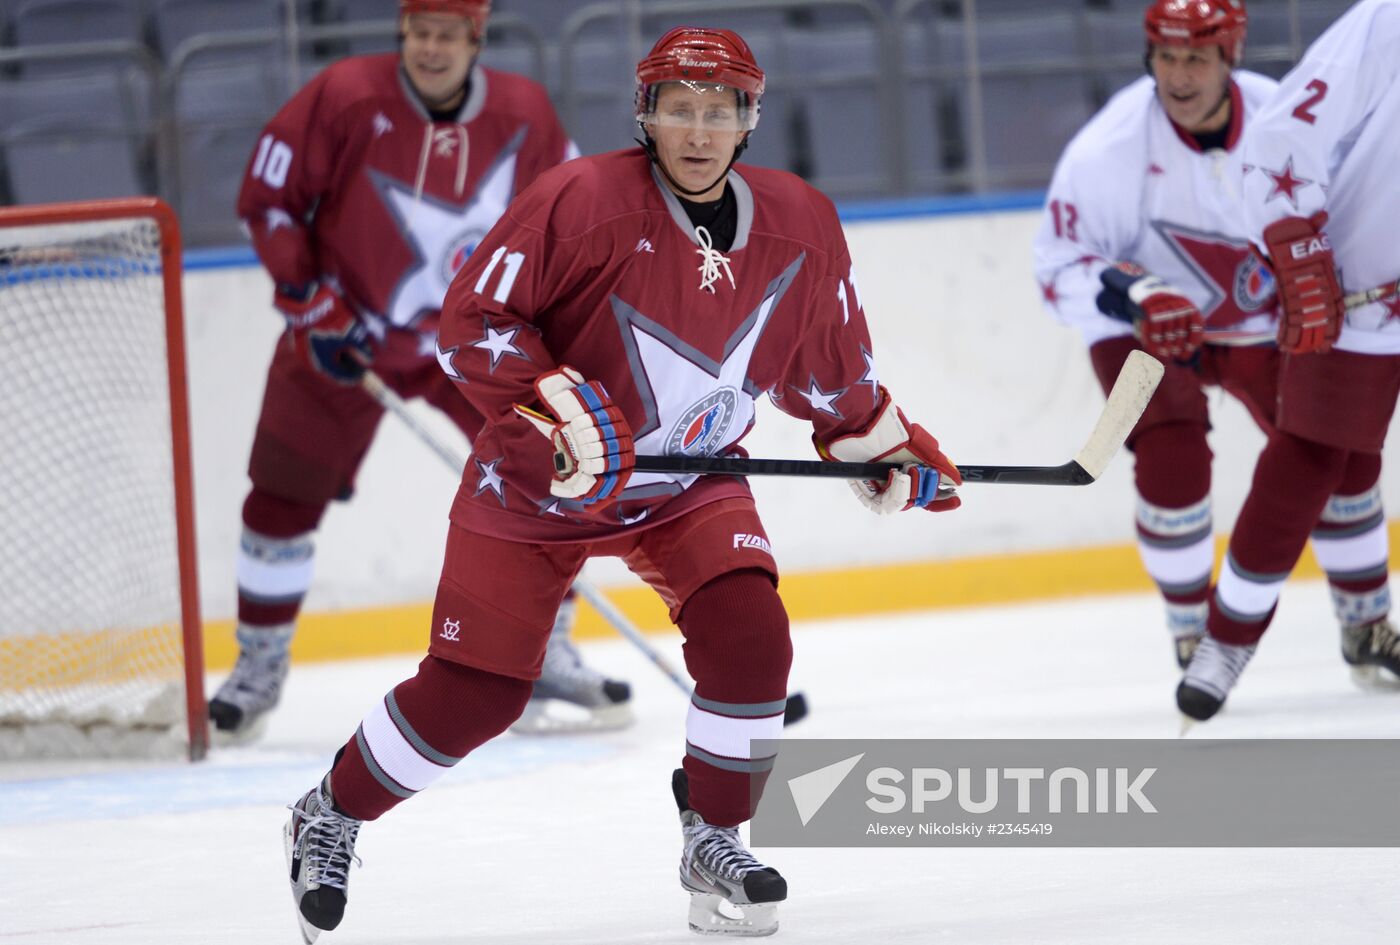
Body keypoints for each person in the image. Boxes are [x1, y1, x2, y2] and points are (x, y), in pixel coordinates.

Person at [278, 26, 961, 941]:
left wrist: (878, 441)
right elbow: (472, 321)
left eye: (720, 111)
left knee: (750, 639)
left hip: (690, 478)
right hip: (541, 486)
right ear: (646, 114)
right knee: (476, 693)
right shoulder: (581, 201)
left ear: (749, 120)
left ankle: (713, 835)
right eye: (678, 109)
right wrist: (555, 405)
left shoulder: (802, 223)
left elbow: (826, 364)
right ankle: (331, 811)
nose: (698, 130)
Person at [213, 0, 632, 743]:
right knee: (281, 496)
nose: (430, 49)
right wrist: (309, 304)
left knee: (555, 476)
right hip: (345, 335)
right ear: (401, 34)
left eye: (447, 35)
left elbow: (572, 221)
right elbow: (268, 203)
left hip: (476, 345)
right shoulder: (344, 96)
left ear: (476, 41)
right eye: (419, 33)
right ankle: (258, 667)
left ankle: (548, 652)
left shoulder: (525, 113)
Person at [1033, 0, 1391, 674]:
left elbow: (1338, 212)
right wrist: (1137, 293)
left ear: (1230, 56)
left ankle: (1367, 624)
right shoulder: (1108, 149)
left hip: (1260, 325)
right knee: (1174, 459)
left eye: (1196, 57)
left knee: (1337, 453)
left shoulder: (1283, 119)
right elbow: (1054, 269)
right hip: (1146, 331)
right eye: (1166, 57)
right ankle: (1193, 632)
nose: (1178, 75)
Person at [1177, 0, 1400, 721]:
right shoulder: (1388, 20)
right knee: (1311, 456)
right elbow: (1281, 136)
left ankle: (1361, 625)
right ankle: (1228, 636)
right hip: (1370, 284)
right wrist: (1296, 241)